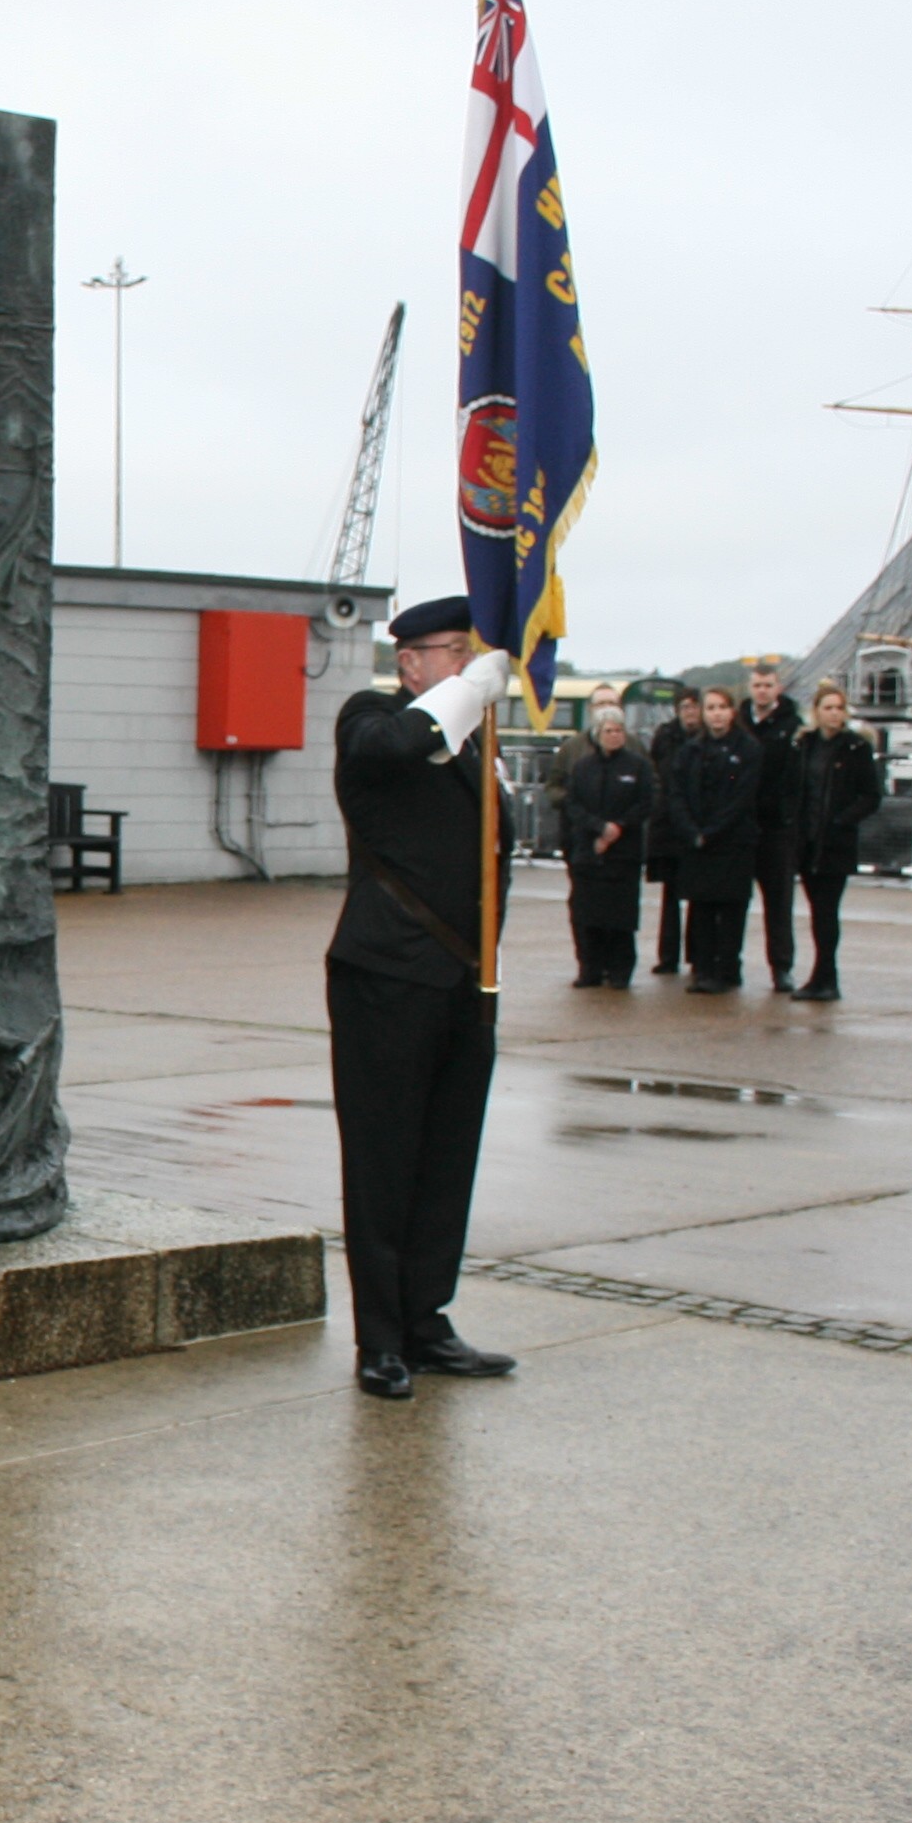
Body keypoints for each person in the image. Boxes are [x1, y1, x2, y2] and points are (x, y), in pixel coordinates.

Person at [327, 595, 519, 1401]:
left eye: (475, 653)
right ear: (411, 661)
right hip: (388, 977)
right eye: (456, 651)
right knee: (384, 1159)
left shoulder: (474, 747)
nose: (470, 664)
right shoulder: (372, 717)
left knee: (446, 1157)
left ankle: (427, 1319)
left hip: (464, 982)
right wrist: (471, 692)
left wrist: (472, 706)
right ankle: (381, 1339)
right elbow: (400, 744)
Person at [658, 685, 762, 993]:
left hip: (732, 841)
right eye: (711, 708)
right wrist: (691, 830)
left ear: (732, 712)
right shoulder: (690, 750)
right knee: (701, 909)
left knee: (730, 910)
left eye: (721, 707)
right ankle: (703, 968)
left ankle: (728, 968)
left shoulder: (747, 749)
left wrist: (714, 830)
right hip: (696, 842)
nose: (716, 714)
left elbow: (740, 795)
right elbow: (675, 792)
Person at [790, 684, 883, 1002]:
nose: (833, 714)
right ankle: (819, 976)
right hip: (808, 841)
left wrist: (843, 819)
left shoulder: (856, 748)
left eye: (838, 708)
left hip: (835, 842)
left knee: (827, 911)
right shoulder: (806, 745)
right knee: (817, 911)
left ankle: (827, 978)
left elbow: (871, 796)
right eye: (828, 708)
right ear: (816, 711)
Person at [561, 701, 653, 986]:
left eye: (619, 730)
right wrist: (598, 828)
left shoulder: (637, 766)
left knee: (620, 919)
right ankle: (590, 968)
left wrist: (618, 827)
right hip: (589, 853)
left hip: (623, 854)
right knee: (588, 917)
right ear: (598, 733)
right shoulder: (583, 767)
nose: (614, 735)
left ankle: (620, 971)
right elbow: (572, 804)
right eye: (609, 730)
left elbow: (646, 803)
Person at [739, 662, 806, 988]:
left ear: (778, 688)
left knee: (779, 903)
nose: (762, 690)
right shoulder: (739, 724)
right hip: (741, 825)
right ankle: (728, 964)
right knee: (734, 900)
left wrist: (789, 816)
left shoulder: (792, 726)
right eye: (757, 685)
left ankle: (781, 967)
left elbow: (797, 780)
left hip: (777, 828)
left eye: (768, 685)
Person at [648, 690, 698, 977]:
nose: (690, 712)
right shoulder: (665, 736)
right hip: (668, 825)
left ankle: (695, 955)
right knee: (670, 897)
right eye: (685, 707)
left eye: (694, 707)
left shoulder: (704, 739)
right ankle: (668, 956)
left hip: (694, 823)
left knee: (697, 896)